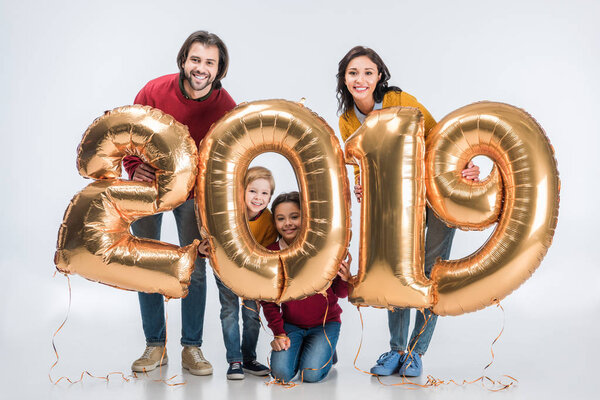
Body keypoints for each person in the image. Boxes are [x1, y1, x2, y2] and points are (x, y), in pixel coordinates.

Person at [336, 46, 480, 377]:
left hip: (434, 197)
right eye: (353, 73)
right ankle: (396, 349)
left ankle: (416, 352)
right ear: (344, 79)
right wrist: (362, 183)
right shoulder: (346, 120)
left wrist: (465, 166)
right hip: (395, 205)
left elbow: (440, 136)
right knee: (397, 272)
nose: (361, 79)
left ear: (379, 76)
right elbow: (361, 161)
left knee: (429, 273)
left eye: (368, 72)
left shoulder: (402, 100)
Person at [124, 30, 235, 377]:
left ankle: (192, 348)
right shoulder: (155, 91)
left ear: (219, 69)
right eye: (196, 59)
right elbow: (127, 133)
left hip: (192, 195)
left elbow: (230, 156)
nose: (201, 68)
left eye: (210, 63)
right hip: (150, 188)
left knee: (194, 269)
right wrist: (133, 166)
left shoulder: (226, 106)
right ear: (184, 60)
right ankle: (155, 346)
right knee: (147, 264)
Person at [261, 192, 351, 383]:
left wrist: (345, 278)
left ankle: (327, 350)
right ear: (275, 223)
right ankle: (307, 346)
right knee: (281, 374)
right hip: (291, 326)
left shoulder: (324, 248)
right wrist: (279, 332)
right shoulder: (271, 254)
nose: (288, 223)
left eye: (294, 216)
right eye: (281, 219)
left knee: (309, 374)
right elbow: (268, 301)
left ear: (306, 217)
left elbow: (341, 294)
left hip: (325, 324)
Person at [197, 166, 276, 379]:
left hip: (252, 273)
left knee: (251, 315)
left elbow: (268, 251)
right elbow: (211, 236)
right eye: (253, 191)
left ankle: (249, 358)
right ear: (242, 191)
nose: (258, 197)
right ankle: (235, 360)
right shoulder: (230, 212)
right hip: (226, 268)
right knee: (229, 312)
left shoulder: (267, 220)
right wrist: (203, 249)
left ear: (270, 197)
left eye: (264, 193)